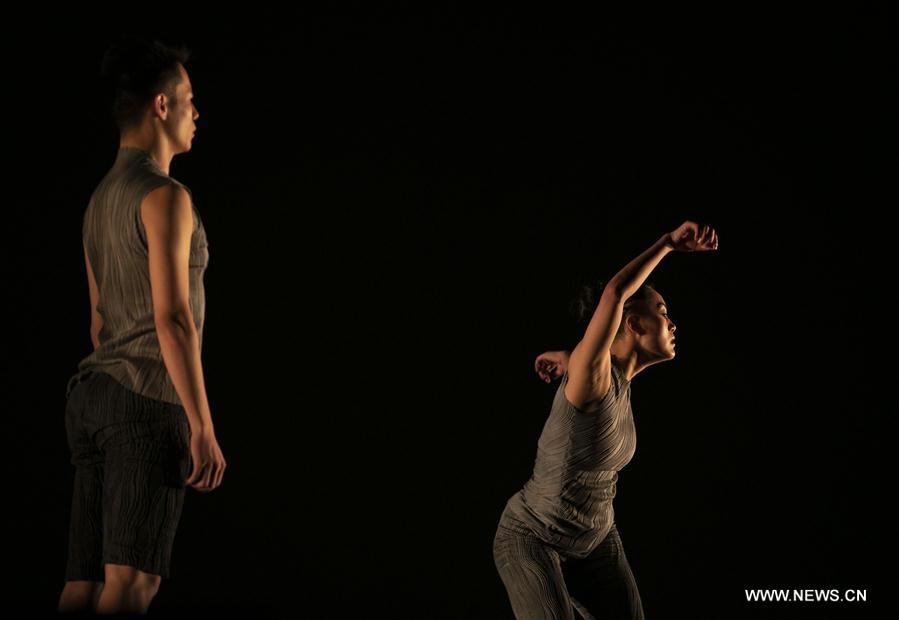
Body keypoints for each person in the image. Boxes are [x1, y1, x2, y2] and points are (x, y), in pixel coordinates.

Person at [57, 35, 227, 615]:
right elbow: (173, 318)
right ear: (162, 104)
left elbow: (99, 323)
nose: (196, 112)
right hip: (146, 404)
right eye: (189, 99)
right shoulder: (165, 196)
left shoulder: (99, 201)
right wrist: (200, 425)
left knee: (82, 588)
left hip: (92, 400)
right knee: (132, 585)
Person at [493, 221, 718, 619]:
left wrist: (565, 359)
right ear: (631, 324)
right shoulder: (592, 377)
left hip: (596, 541)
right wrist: (667, 244)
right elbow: (615, 294)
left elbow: (596, 365)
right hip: (533, 537)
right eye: (662, 313)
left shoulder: (614, 376)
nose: (673, 323)